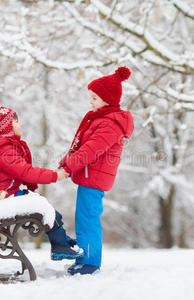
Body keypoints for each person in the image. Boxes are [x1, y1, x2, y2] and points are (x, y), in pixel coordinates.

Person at [0, 101, 83, 261]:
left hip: (5, 194)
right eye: (16, 121)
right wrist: (55, 175)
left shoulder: (2, 148)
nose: (20, 124)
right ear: (5, 128)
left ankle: (62, 242)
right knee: (43, 206)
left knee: (46, 207)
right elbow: (26, 172)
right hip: (3, 197)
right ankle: (60, 246)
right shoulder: (4, 151)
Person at [59, 67, 134, 275]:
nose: (90, 102)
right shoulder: (101, 120)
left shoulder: (110, 124)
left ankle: (90, 262)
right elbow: (82, 147)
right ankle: (85, 259)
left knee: (88, 220)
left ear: (107, 100)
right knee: (84, 218)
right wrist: (65, 162)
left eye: (94, 98)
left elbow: (89, 151)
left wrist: (68, 166)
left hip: (94, 179)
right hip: (89, 177)